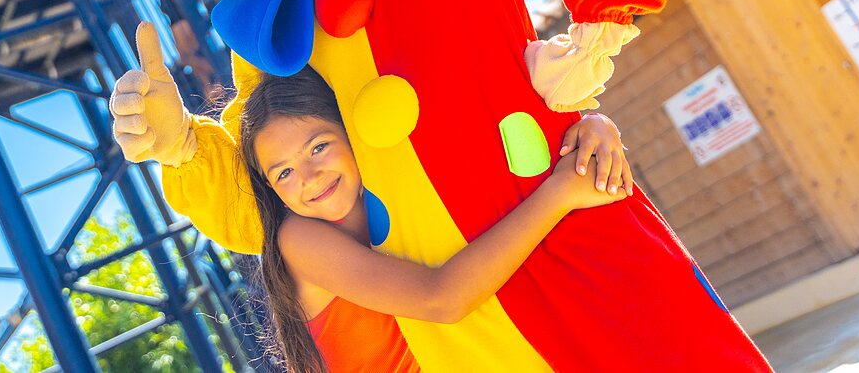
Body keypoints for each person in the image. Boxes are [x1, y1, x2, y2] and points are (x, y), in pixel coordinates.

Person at [236, 63, 630, 373]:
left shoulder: (399, 188)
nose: (308, 178)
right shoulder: (298, 239)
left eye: (318, 147)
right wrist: (560, 192)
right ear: (270, 188)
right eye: (283, 173)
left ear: (350, 129)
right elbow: (441, 299)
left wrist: (591, 126)